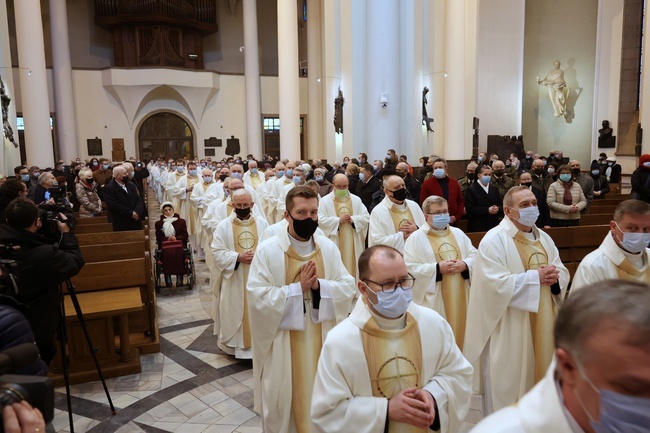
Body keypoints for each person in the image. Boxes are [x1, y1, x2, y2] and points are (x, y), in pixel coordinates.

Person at [311, 245, 473, 433]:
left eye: (403, 280)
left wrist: (433, 396)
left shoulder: (433, 323)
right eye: (387, 284)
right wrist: (385, 410)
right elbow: (326, 413)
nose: (399, 290)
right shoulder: (340, 341)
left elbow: (459, 374)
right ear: (363, 288)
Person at [471, 279, 650, 433]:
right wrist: (533, 278)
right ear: (569, 368)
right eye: (632, 387)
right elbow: (491, 285)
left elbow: (560, 274)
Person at [246, 186, 355, 433]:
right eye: (302, 212)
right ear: (287, 215)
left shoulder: (327, 248)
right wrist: (296, 290)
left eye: (314, 212)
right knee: (283, 401)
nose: (309, 218)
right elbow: (256, 295)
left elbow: (347, 286)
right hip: (284, 343)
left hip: (323, 337)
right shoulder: (269, 250)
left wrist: (319, 287)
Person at [464, 186, 570, 415]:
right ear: (508, 211)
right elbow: (492, 285)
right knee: (510, 391)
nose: (532, 208)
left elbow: (560, 269)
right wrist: (535, 278)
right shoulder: (494, 240)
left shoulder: (545, 238)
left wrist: (555, 277)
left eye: (533, 203)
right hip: (512, 326)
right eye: (524, 205)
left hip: (545, 321)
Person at [0, 198, 84, 365]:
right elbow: (74, 262)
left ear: (8, 221)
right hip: (35, 323)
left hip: (6, 322)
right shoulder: (43, 255)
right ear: (38, 222)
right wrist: (66, 235)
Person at [404, 196, 477, 350]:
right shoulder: (415, 239)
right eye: (437, 213)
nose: (442, 215)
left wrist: (465, 264)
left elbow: (476, 256)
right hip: (435, 300)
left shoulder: (458, 234)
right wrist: (437, 268)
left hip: (462, 295)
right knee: (439, 343)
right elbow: (409, 268)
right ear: (426, 216)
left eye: (445, 211)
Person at [212, 189, 268, 358]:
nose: (242, 208)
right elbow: (217, 251)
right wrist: (238, 257)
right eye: (239, 205)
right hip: (235, 277)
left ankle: (259, 345)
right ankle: (236, 347)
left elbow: (271, 247)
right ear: (233, 205)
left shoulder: (263, 224)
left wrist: (258, 256)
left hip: (258, 276)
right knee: (235, 310)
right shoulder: (223, 226)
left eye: (246, 205)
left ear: (252, 205)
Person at [571, 200, 650, 291]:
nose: (640, 234)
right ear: (613, 227)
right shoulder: (593, 266)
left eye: (646, 229)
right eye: (632, 228)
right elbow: (582, 305)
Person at [317, 173, 370, 281]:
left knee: (353, 265)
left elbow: (366, 217)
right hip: (334, 241)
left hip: (353, 241)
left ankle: (355, 291)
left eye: (344, 186)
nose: (342, 189)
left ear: (348, 185)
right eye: (339, 186)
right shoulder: (324, 201)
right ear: (333, 185)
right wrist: (338, 221)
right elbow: (320, 220)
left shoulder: (356, 200)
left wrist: (353, 220)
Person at [368, 175, 426, 252]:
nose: (402, 189)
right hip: (393, 258)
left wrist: (417, 229)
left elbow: (426, 229)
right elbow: (376, 241)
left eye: (403, 185)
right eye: (397, 187)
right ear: (387, 192)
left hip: (416, 255)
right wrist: (402, 235)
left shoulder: (414, 205)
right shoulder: (378, 211)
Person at [419, 158, 464, 226]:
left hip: (453, 220)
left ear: (446, 169)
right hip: (435, 221)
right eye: (436, 168)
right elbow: (423, 203)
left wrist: (456, 216)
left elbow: (460, 201)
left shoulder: (454, 182)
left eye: (440, 167)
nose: (438, 169)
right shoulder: (427, 184)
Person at [155, 202, 188, 287]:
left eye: (170, 210)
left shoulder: (181, 221)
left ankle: (179, 278)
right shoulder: (159, 223)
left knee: (180, 253)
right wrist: (168, 239)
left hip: (179, 245)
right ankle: (167, 278)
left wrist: (176, 238)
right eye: (165, 210)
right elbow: (158, 238)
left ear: (173, 210)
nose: (168, 212)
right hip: (165, 246)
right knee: (166, 254)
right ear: (163, 212)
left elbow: (185, 235)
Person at [104, 166, 146, 231]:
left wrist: (137, 212)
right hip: (122, 221)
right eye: (124, 173)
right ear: (118, 176)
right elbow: (114, 205)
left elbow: (139, 200)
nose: (127, 174)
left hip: (136, 220)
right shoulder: (109, 188)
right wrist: (131, 213)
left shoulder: (130, 185)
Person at [465, 164, 503, 232]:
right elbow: (469, 208)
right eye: (485, 174)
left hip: (493, 224)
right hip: (478, 225)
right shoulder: (471, 189)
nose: (488, 176)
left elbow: (500, 204)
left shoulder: (494, 189)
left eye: (489, 175)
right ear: (479, 175)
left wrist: (497, 208)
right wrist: (487, 210)